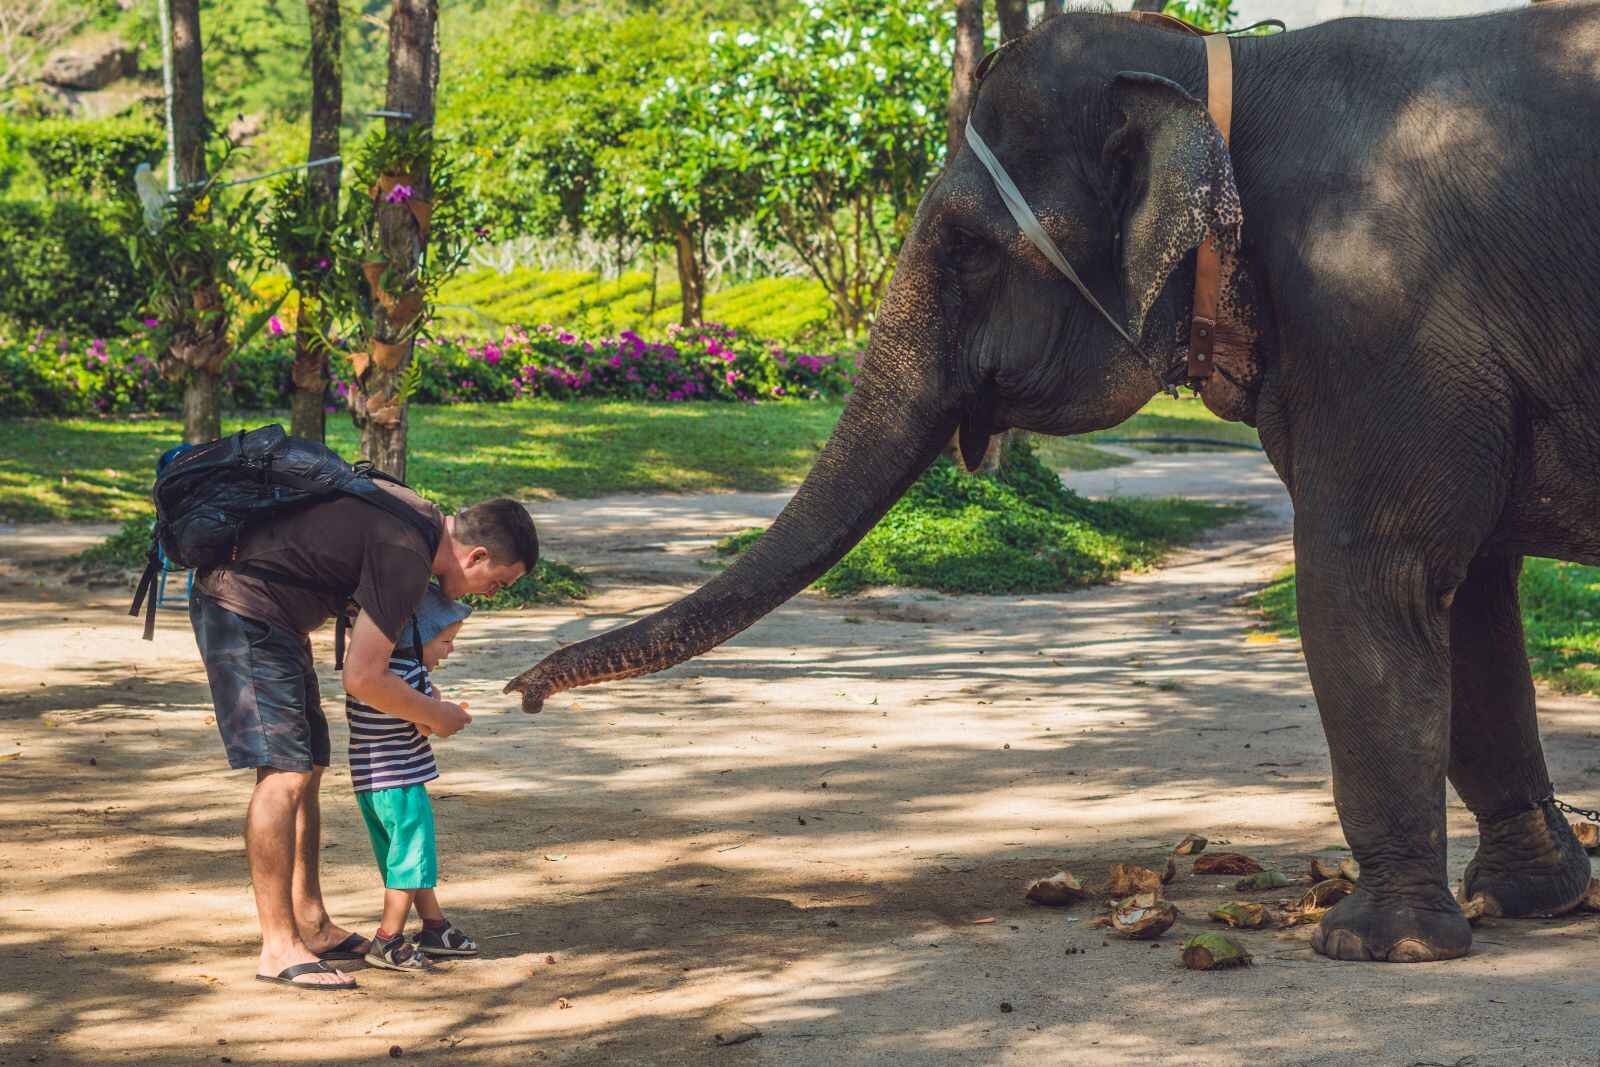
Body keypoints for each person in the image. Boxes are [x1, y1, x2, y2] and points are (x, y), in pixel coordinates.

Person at [188, 488, 537, 990]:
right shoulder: (407, 555)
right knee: (284, 771)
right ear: (476, 555)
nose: (491, 593)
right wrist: (435, 714)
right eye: (498, 582)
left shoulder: (413, 526)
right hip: (242, 608)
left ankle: (312, 924)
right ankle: (278, 946)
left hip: (274, 619)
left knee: (306, 765)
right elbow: (364, 678)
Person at [348, 585, 479, 971]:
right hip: (402, 782)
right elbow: (428, 726)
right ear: (416, 635)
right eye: (444, 640)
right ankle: (387, 940)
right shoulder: (411, 676)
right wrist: (446, 710)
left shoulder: (373, 671)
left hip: (370, 783)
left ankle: (435, 926)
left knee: (403, 859)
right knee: (410, 858)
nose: (448, 650)